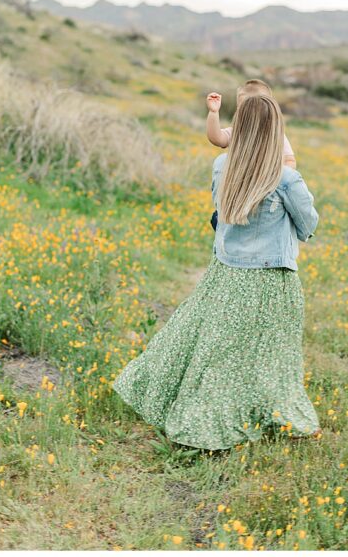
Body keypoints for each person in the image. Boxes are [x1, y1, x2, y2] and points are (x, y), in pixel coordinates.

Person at [113, 94, 321, 449]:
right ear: (276, 132)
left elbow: (220, 210)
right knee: (269, 355)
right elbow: (308, 226)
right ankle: (240, 414)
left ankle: (174, 397)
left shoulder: (222, 165)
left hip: (224, 274)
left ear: (238, 127)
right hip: (270, 281)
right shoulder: (286, 178)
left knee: (211, 348)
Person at [206, 78, 296, 230]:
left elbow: (289, 161)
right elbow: (217, 138)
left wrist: (274, 179)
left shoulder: (276, 135)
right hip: (238, 190)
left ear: (269, 109)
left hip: (263, 189)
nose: (248, 115)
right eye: (242, 109)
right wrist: (213, 113)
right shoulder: (237, 132)